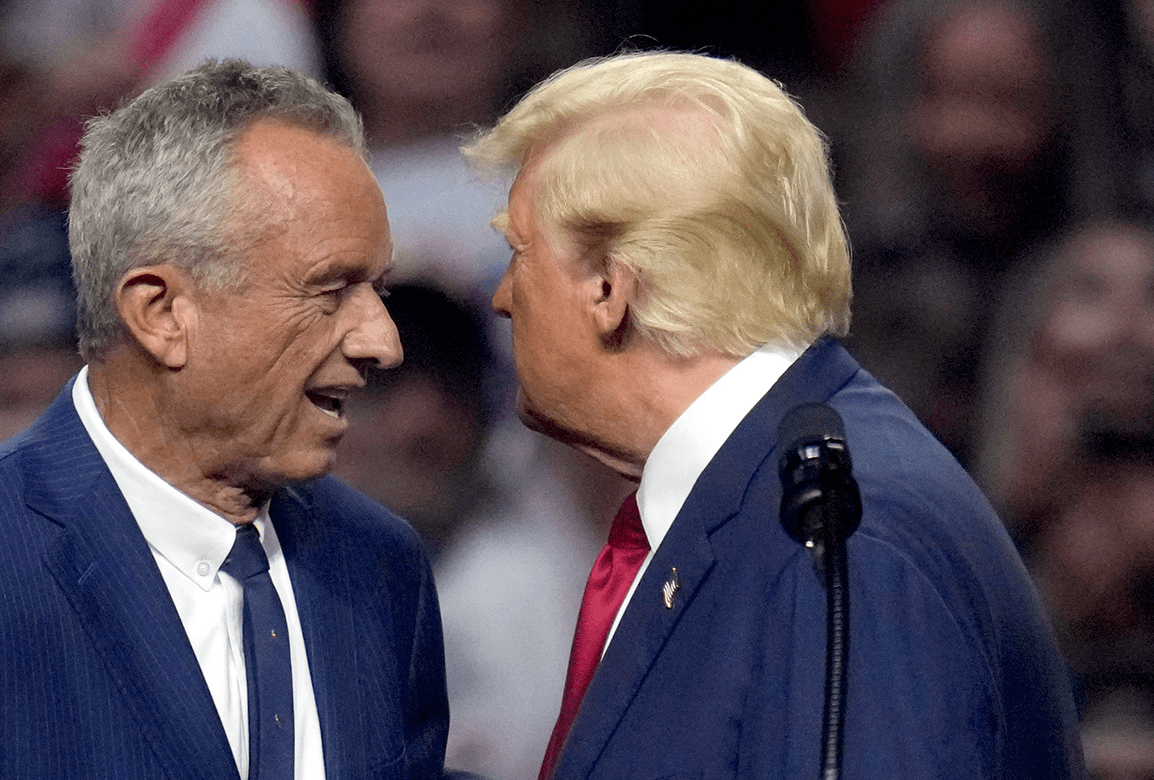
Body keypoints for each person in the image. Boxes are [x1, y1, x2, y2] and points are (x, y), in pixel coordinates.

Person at [0, 59, 449, 779]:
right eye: (331, 291)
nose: (383, 342)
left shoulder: (379, 565)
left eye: (379, 291)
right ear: (161, 312)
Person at [463, 51, 1080, 779]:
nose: (502, 296)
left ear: (608, 287)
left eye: (520, 252)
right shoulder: (776, 499)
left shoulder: (840, 539)